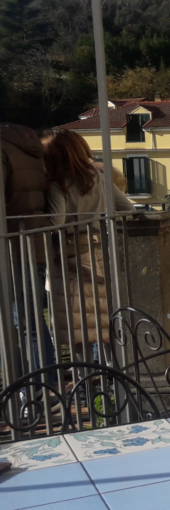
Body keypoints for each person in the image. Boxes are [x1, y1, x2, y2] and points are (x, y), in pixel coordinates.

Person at [43, 129, 133, 359]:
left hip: (69, 260)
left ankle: (83, 380)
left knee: (73, 327)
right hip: (99, 253)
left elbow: (55, 222)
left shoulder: (59, 185)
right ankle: (113, 379)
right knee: (102, 321)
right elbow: (127, 209)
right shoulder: (100, 179)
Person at [1, 123, 56, 373]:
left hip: (12, 246)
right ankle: (43, 385)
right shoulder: (26, 147)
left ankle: (37, 388)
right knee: (30, 320)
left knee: (23, 321)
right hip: (31, 242)